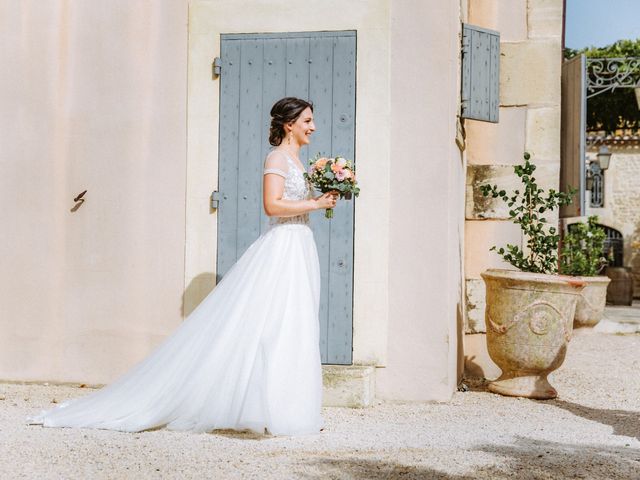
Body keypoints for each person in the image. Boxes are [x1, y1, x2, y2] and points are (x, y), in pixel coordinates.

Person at [26, 97, 339, 436]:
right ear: (288, 124)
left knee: (294, 321)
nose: (313, 126)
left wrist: (327, 194)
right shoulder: (277, 157)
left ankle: (285, 409)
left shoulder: (297, 159)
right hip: (282, 246)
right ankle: (275, 412)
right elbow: (271, 205)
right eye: (307, 120)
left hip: (299, 245)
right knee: (275, 324)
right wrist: (315, 203)